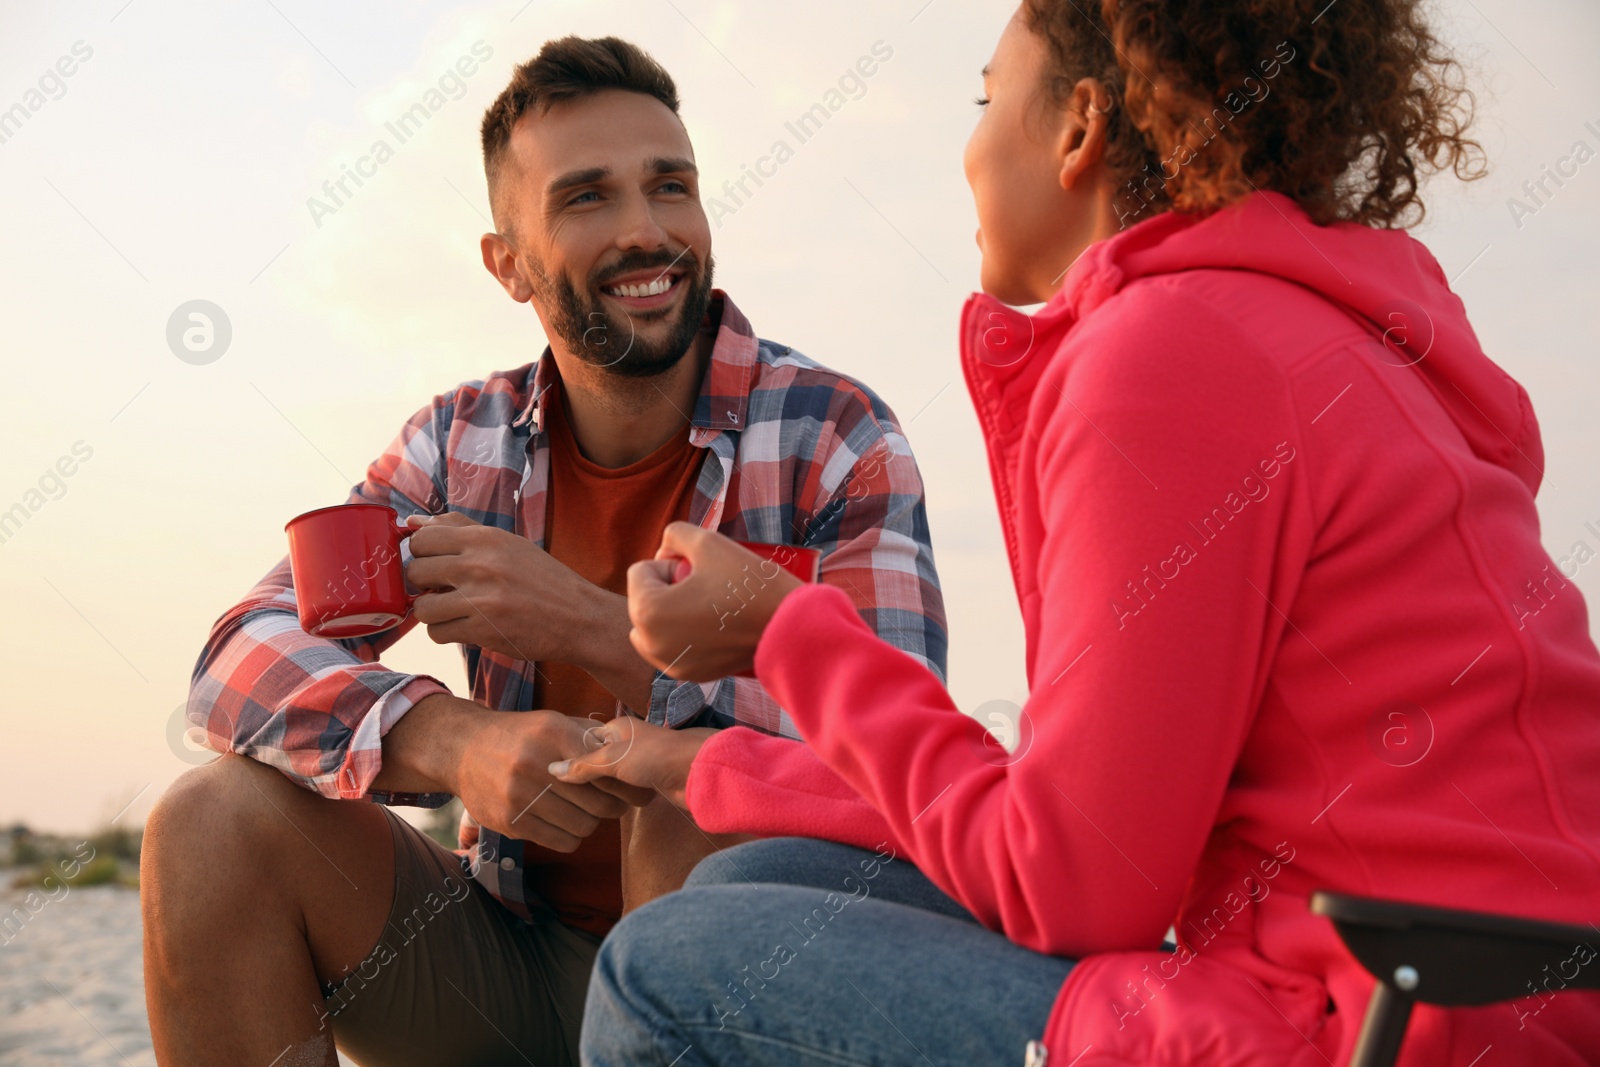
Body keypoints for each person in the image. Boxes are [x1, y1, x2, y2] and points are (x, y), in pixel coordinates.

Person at [554, 3, 1600, 1065]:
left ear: (1078, 129)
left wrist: (784, 632)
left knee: (663, 971)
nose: (966, 147)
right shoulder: (1296, 333)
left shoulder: (1170, 352)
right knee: (749, 880)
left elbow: (1071, 880)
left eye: (984, 97)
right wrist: (718, 763)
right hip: (1478, 998)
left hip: (1381, 1028)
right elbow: (1086, 813)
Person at [139, 35, 946, 1067]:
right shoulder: (455, 447)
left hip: (758, 974)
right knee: (211, 820)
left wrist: (603, 633)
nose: (648, 231)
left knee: (673, 801)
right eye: (587, 198)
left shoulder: (837, 439)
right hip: (513, 957)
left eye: (672, 186)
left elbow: (910, 773)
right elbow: (239, 656)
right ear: (507, 263)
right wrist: (444, 735)